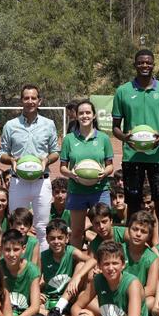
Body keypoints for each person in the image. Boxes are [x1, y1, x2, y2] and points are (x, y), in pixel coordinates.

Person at [48, 241, 150, 316]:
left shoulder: (132, 283)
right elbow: (76, 306)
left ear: (123, 265)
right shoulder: (98, 280)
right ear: (99, 266)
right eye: (106, 264)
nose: (111, 268)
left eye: (115, 263)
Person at [112, 49, 159, 226]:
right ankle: (132, 248)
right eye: (141, 62)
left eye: (148, 62)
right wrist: (126, 139)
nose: (145, 65)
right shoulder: (122, 91)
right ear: (135, 65)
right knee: (133, 204)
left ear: (153, 64)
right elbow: (115, 128)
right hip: (132, 156)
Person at [0, 84, 60, 252]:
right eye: (26, 98)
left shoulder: (49, 124)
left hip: (42, 182)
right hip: (18, 182)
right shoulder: (10, 125)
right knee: (15, 227)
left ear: (39, 101)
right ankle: (15, 265)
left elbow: (55, 152)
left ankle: (42, 268)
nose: (30, 101)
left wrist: (47, 160)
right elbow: (1, 153)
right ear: (21, 100)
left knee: (42, 227)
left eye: (34, 98)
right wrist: (11, 160)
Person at [60, 100, 114, 249]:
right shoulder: (68, 139)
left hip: (100, 190)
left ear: (94, 115)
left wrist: (104, 173)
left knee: (105, 231)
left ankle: (106, 262)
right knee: (77, 232)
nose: (85, 116)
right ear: (76, 116)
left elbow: (110, 166)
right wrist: (72, 175)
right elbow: (62, 168)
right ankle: (77, 265)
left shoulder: (103, 138)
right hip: (77, 190)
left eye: (88, 112)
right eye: (81, 113)